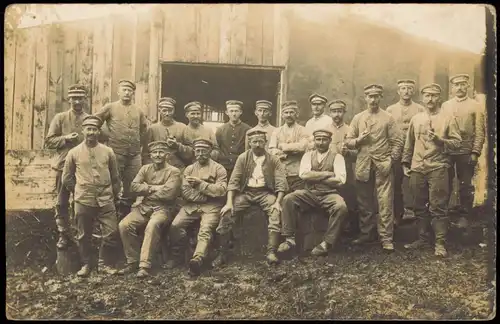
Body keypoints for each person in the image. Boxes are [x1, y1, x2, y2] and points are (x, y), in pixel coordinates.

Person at [213, 129, 289, 266]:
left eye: (260, 141)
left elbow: (280, 183)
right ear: (249, 144)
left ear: (265, 143)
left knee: (275, 212)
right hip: (246, 193)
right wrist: (229, 203)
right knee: (227, 214)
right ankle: (222, 253)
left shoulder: (273, 159)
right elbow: (233, 181)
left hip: (265, 193)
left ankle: (271, 251)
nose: (258, 145)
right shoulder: (243, 158)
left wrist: (278, 202)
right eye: (254, 142)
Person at [402, 83, 461, 257]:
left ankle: (440, 243)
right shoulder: (416, 118)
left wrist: (440, 140)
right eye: (427, 95)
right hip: (418, 167)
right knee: (419, 205)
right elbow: (409, 144)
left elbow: (457, 143)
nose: (430, 99)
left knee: (438, 206)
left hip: (438, 166)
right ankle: (422, 238)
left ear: (439, 98)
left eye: (434, 96)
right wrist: (406, 163)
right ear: (422, 97)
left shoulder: (448, 118)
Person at [345, 84, 403, 252]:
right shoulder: (358, 118)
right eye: (370, 96)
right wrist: (358, 141)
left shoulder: (388, 118)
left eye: (377, 96)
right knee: (364, 203)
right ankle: (367, 234)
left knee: (385, 201)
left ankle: (386, 238)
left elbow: (397, 142)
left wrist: (391, 160)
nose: (373, 99)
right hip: (363, 164)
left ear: (380, 98)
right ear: (365, 98)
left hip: (383, 164)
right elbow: (348, 141)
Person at [62, 116, 122, 277]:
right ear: (83, 131)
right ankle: (87, 264)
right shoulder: (73, 153)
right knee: (83, 235)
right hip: (83, 199)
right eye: (88, 129)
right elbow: (66, 178)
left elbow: (115, 176)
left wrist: (115, 195)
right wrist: (79, 190)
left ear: (98, 131)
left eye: (94, 129)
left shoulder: (108, 152)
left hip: (106, 198)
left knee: (111, 231)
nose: (91, 132)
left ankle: (104, 264)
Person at [278, 128, 348, 256]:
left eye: (324, 140)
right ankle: (289, 238)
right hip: (310, 194)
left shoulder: (337, 157)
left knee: (341, 206)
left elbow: (340, 181)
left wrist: (314, 176)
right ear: (314, 141)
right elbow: (303, 175)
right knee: (289, 199)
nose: (321, 143)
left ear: (330, 141)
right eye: (318, 139)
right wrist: (327, 174)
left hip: (329, 194)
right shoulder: (308, 155)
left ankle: (326, 243)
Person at [117, 141, 182, 278]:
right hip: (144, 208)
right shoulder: (145, 169)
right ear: (151, 155)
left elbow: (169, 193)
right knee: (124, 225)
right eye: (155, 152)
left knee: (152, 226)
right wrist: (153, 188)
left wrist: (146, 190)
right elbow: (133, 187)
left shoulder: (174, 171)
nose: (158, 155)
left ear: (167, 155)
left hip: (163, 209)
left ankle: (144, 266)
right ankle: (132, 261)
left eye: (161, 152)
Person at [167, 138, 228, 276]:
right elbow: (186, 192)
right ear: (194, 152)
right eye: (198, 151)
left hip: (212, 207)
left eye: (204, 151)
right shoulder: (189, 169)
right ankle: (178, 255)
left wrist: (200, 184)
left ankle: (197, 259)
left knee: (205, 229)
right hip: (191, 206)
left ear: (210, 152)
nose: (201, 154)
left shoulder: (219, 169)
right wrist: (207, 194)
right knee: (175, 226)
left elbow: (221, 191)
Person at [94, 79, 149, 219]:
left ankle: (124, 215)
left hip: (134, 154)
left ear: (133, 93)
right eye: (124, 90)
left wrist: (137, 144)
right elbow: (94, 122)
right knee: (114, 184)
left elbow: (144, 129)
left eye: (129, 90)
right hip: (115, 153)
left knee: (132, 185)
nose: (127, 92)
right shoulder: (110, 107)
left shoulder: (138, 111)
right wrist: (105, 137)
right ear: (118, 92)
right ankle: (110, 217)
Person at [45, 84, 90, 249]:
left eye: (80, 98)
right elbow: (49, 141)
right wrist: (65, 138)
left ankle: (81, 235)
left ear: (85, 99)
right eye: (74, 98)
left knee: (82, 202)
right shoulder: (60, 118)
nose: (77, 101)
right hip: (63, 166)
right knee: (62, 201)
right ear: (69, 99)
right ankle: (63, 234)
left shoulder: (89, 119)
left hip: (83, 168)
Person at [441, 74, 486, 232]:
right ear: (452, 88)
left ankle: (465, 216)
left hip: (466, 150)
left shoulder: (475, 106)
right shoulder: (445, 105)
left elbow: (480, 132)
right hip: (447, 150)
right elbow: (442, 128)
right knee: (444, 182)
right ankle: (443, 216)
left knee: (465, 184)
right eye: (456, 85)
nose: (459, 88)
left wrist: (475, 152)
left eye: (463, 84)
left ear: (468, 86)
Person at [386, 79, 425, 223]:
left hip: (415, 150)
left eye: (409, 88)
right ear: (398, 91)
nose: (406, 91)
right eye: (403, 88)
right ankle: (397, 214)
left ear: (413, 91)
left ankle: (415, 212)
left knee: (414, 181)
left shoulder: (420, 109)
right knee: (396, 182)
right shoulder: (390, 110)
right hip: (396, 149)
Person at [328, 100, 359, 232]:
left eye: (339, 111)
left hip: (346, 170)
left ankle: (348, 230)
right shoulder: (325, 129)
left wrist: (349, 152)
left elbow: (359, 152)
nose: (337, 114)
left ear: (344, 113)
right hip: (329, 170)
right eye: (334, 111)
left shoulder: (350, 130)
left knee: (349, 198)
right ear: (330, 113)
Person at [268, 100, 310, 191]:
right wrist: (288, 152)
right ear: (282, 115)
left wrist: (284, 147)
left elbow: (303, 147)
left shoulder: (302, 130)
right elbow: (271, 150)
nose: (288, 115)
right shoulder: (277, 131)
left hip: (296, 172)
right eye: (286, 112)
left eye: (291, 112)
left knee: (296, 197)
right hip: (280, 171)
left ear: (297, 114)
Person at [141, 97, 188, 171]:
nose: (167, 114)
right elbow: (145, 154)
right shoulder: (152, 129)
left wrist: (177, 146)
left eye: (170, 111)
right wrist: (151, 170)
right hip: (158, 170)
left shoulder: (182, 127)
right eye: (164, 110)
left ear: (174, 111)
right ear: (159, 111)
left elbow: (190, 153)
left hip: (178, 169)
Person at [216, 100, 251, 178]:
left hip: (241, 166)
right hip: (224, 167)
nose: (234, 114)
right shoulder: (221, 129)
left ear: (241, 112)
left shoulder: (247, 129)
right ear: (227, 112)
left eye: (236, 111)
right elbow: (217, 148)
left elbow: (249, 150)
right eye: (231, 111)